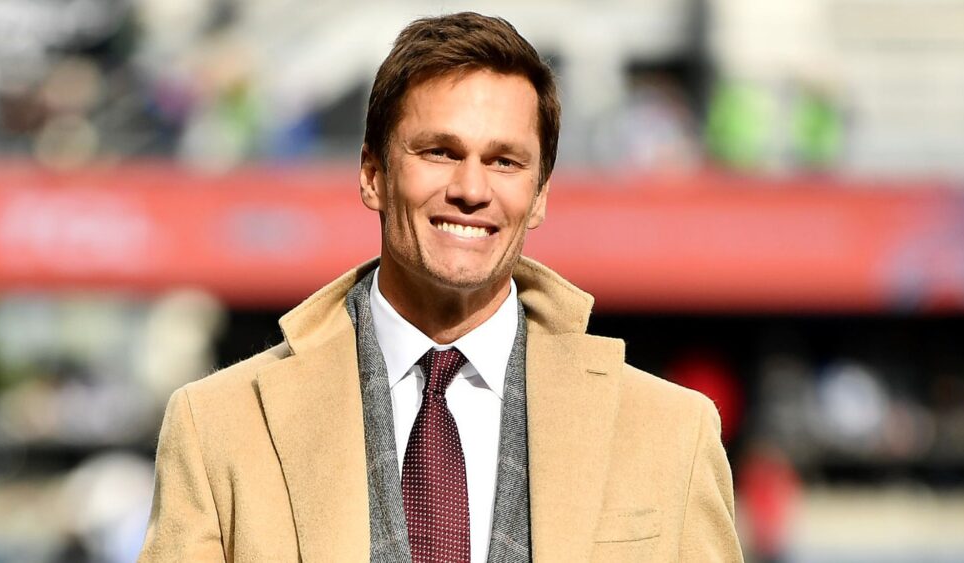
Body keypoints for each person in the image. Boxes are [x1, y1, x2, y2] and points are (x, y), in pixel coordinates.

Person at [139, 12, 743, 562]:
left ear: (540, 196)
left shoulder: (672, 433)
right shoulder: (216, 426)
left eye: (505, 161)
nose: (471, 189)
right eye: (439, 152)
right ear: (373, 175)